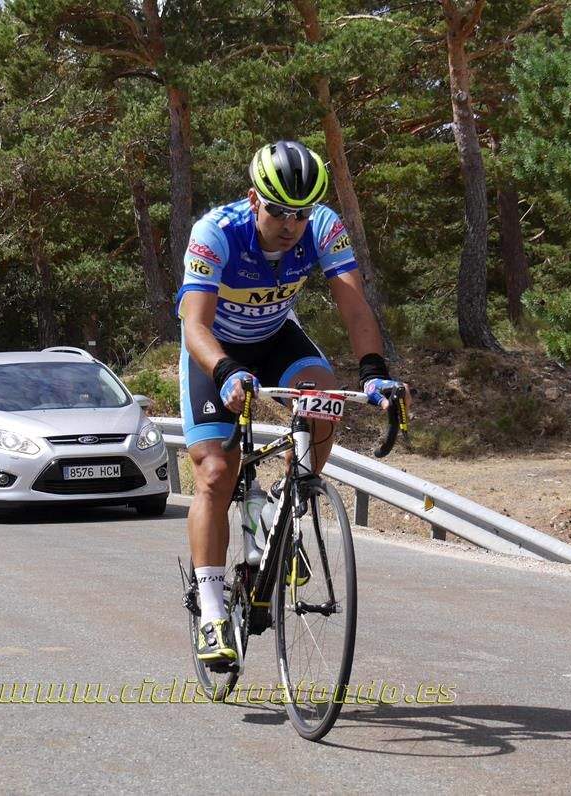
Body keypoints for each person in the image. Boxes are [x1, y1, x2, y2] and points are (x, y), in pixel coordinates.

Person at [177, 140, 406, 665]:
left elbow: (353, 306)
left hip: (278, 336)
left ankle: (283, 506)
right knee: (215, 471)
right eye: (278, 211)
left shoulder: (323, 227)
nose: (290, 225)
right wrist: (227, 370)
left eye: (299, 214)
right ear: (254, 199)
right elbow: (196, 324)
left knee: (324, 395)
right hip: (216, 347)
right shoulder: (216, 232)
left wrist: (375, 372)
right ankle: (212, 610)